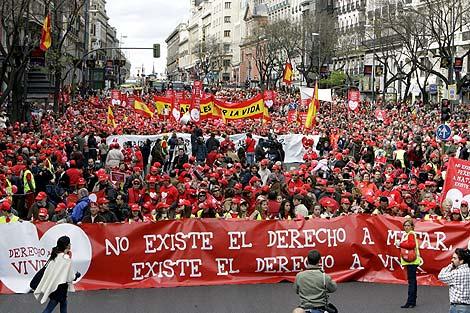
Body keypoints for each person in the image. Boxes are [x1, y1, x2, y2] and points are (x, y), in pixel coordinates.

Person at [34, 236, 81, 313]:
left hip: (55, 286)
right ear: (67, 246)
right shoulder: (66, 258)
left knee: (63, 303)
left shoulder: (55, 255)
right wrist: (77, 275)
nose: (70, 245)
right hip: (60, 288)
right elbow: (70, 277)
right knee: (49, 308)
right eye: (69, 243)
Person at [395, 219, 422, 309]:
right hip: (412, 261)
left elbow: (411, 245)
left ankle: (410, 301)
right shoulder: (409, 234)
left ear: (412, 227)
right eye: (405, 225)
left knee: (411, 282)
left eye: (408, 225)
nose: (406, 227)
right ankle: (412, 301)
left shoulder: (410, 234)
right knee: (413, 281)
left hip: (411, 261)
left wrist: (400, 244)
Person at [438, 248, 470, 313]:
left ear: (461, 261)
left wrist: (451, 265)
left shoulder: (455, 273)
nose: (452, 260)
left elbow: (441, 276)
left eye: (455, 258)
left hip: (457, 308)